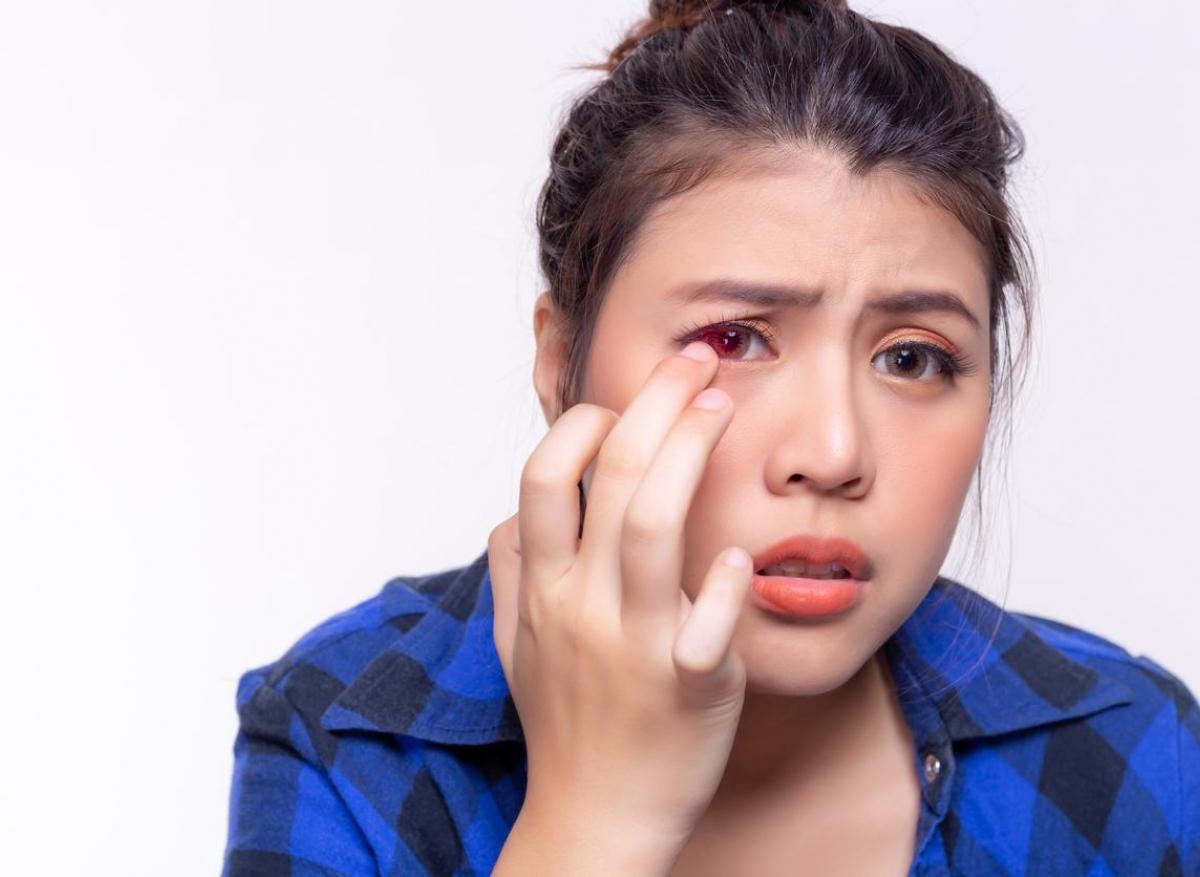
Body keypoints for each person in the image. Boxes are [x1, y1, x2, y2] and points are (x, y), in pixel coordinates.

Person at [221, 1, 1199, 874]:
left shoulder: (1130, 755)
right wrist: (591, 819)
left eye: (911, 358)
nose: (832, 450)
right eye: (735, 338)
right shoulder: (351, 740)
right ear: (561, 361)